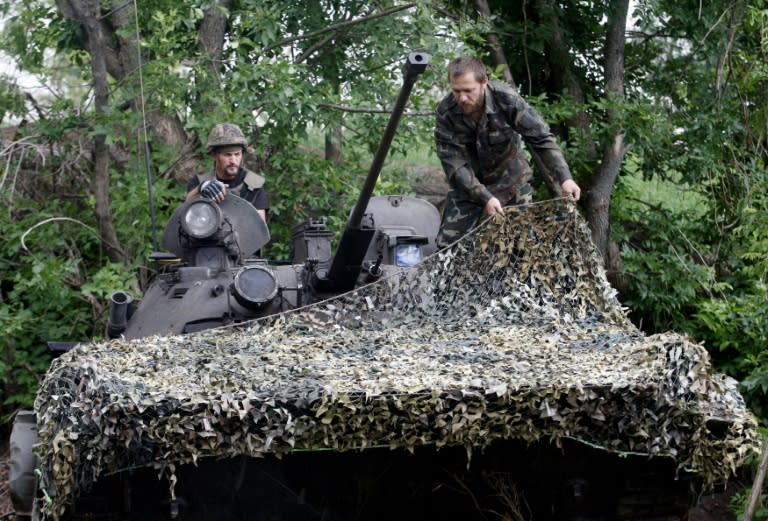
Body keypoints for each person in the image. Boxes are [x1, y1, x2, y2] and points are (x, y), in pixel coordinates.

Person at [434, 56, 581, 248]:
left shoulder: (507, 99)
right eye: (456, 91)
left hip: (511, 182)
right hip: (468, 185)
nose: (462, 97)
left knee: (520, 247)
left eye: (468, 91)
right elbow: (454, 165)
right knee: (448, 247)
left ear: (484, 82)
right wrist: (484, 197)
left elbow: (541, 138)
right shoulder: (446, 112)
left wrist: (565, 178)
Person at [187, 123, 269, 224]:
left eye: (237, 154)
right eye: (227, 155)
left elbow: (260, 228)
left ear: (242, 154)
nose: (233, 160)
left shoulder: (253, 183)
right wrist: (200, 189)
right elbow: (186, 211)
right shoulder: (200, 181)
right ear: (214, 155)